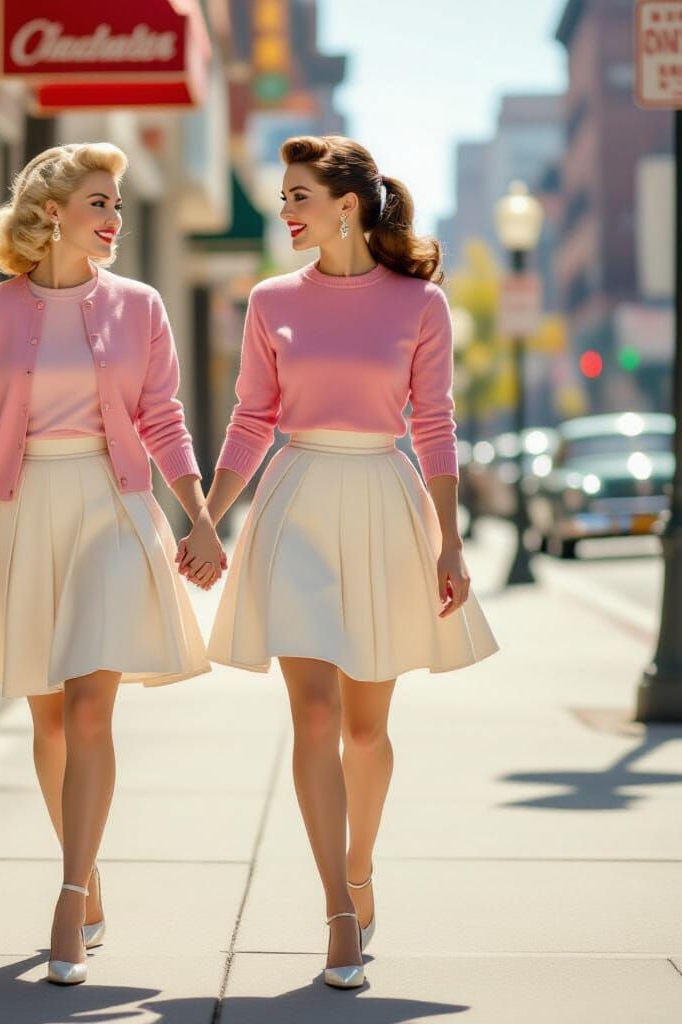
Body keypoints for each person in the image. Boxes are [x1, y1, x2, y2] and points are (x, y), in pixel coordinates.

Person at [178, 135, 499, 989]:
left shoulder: (420, 306)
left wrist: (451, 541)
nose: (286, 213)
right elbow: (250, 420)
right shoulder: (269, 300)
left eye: (297, 198)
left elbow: (434, 425)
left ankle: (361, 865)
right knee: (314, 718)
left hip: (386, 508)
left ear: (346, 205)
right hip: (296, 506)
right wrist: (208, 520)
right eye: (284, 198)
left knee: (366, 727)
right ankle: (339, 913)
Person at [0, 143, 222, 986]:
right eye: (101, 203)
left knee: (91, 712)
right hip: (22, 517)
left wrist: (198, 519)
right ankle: (87, 868)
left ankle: (65, 896)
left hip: (112, 511)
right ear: (51, 212)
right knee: (50, 720)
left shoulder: (140, 306)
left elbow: (165, 420)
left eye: (120, 205)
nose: (115, 220)